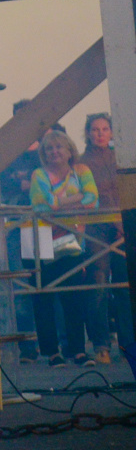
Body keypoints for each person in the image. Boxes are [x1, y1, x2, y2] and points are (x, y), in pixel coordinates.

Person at [26, 125, 97, 367]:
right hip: (39, 238)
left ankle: (77, 350)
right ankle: (51, 353)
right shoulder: (38, 174)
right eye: (48, 149)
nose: (53, 152)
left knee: (73, 295)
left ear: (69, 150)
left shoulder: (82, 170)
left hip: (72, 238)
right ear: (43, 153)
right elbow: (41, 208)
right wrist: (75, 199)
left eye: (58, 147)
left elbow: (93, 200)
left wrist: (59, 202)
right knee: (44, 297)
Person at [79, 113, 129, 364]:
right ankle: (101, 344)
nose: (100, 133)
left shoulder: (121, 157)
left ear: (111, 131)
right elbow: (95, 196)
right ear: (87, 132)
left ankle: (128, 342)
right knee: (98, 285)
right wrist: (118, 223)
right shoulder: (81, 162)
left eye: (105, 128)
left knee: (125, 285)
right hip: (97, 227)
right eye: (95, 129)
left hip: (124, 226)